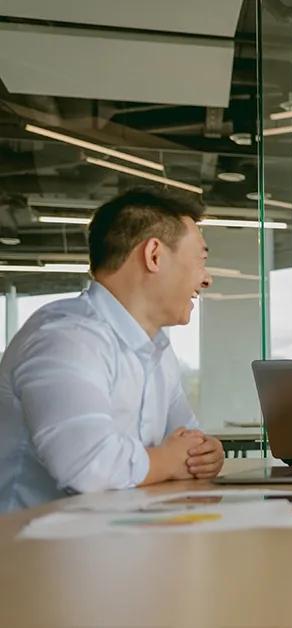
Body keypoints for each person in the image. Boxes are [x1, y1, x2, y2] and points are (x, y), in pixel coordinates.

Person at [0, 187, 222, 512]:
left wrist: (205, 454)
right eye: (201, 260)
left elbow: (188, 441)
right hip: (30, 551)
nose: (207, 279)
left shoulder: (157, 351)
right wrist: (168, 460)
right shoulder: (66, 337)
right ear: (154, 255)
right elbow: (87, 467)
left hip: (106, 538)